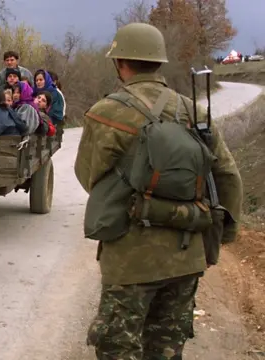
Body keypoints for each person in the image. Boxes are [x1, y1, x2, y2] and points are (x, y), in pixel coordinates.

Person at [74, 22, 243, 359]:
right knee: (166, 350)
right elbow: (227, 176)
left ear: (120, 62)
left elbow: (86, 176)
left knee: (118, 349)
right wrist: (224, 232)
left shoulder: (106, 113)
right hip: (186, 254)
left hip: (130, 258)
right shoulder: (194, 111)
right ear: (160, 63)